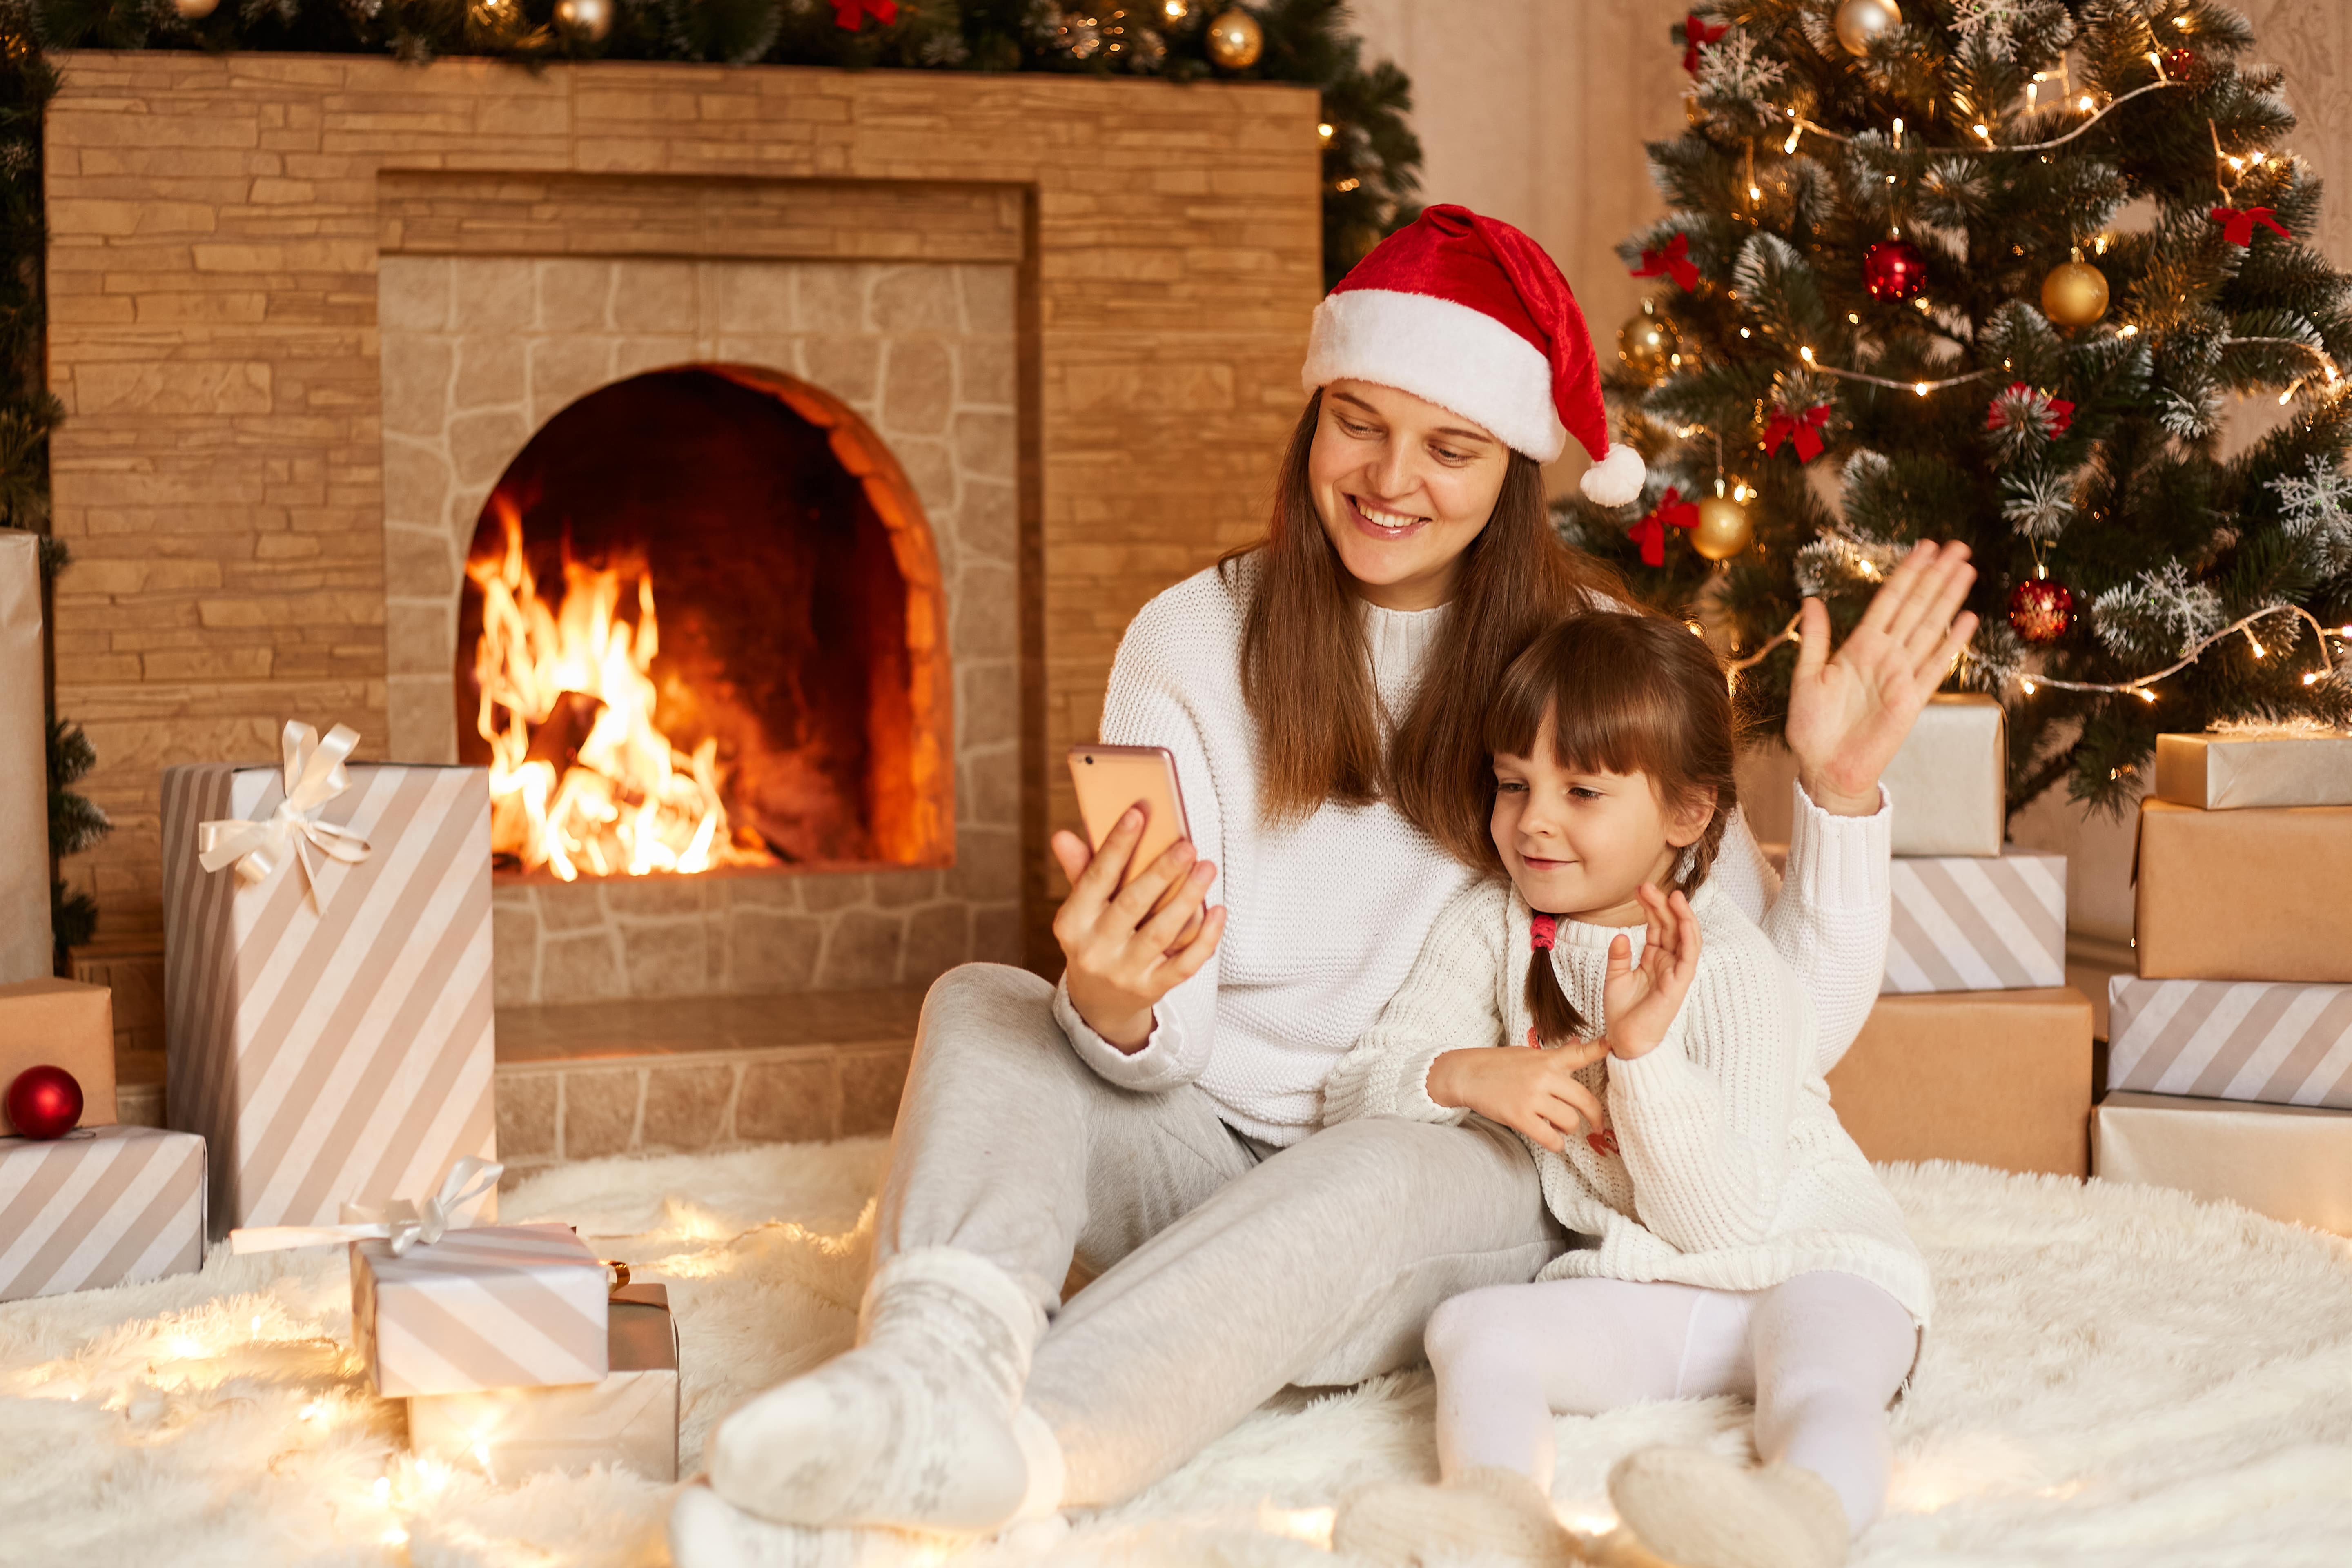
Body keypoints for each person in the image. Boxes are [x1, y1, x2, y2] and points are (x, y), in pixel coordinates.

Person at [668, 205, 1976, 1567]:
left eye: (1451, 446)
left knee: (1369, 1167)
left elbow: (1769, 1025)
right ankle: (925, 1376)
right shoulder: (1187, 640)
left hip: (1454, 1176)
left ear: (1515, 467)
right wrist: (1116, 1001)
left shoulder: (1594, 665)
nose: (1390, 477)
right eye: (1358, 421)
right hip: (1199, 1146)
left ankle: (1023, 1448)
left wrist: (1834, 800)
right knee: (992, 1002)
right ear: (1315, 418)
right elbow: (1155, 1048)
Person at [1324, 613, 1932, 1568]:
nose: (1534, 820)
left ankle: (1792, 1525)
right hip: (1656, 1284)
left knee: (1818, 1388)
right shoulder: (1492, 927)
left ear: (1688, 814)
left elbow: (1723, 1224)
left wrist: (1643, 1062)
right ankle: (1501, 1516)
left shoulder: (1729, 964)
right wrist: (1459, 1073)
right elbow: (1355, 1097)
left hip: (1817, 1263)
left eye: (1583, 791)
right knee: (1474, 1327)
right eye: (1514, 784)